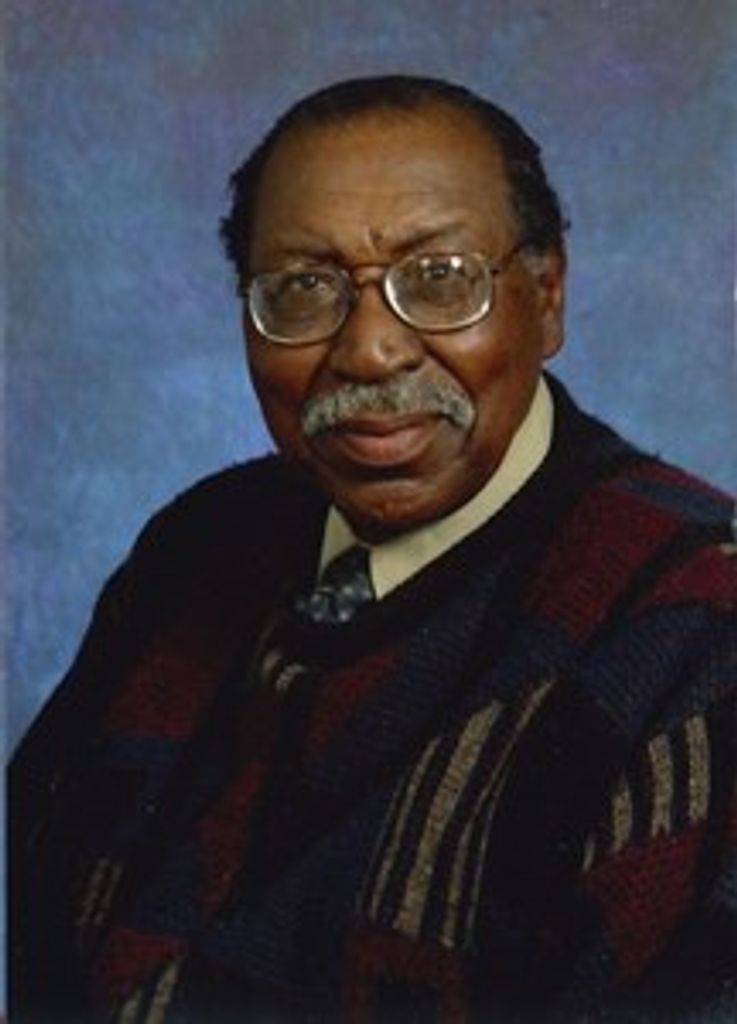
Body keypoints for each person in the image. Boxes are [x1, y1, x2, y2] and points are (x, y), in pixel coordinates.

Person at [10, 75, 736, 1023]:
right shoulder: (197, 545)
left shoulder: (697, 629)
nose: (369, 351)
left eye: (438, 279)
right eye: (303, 289)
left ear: (546, 297)